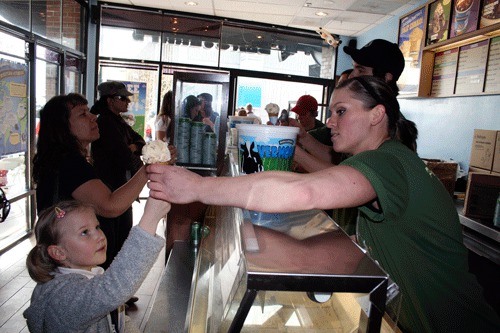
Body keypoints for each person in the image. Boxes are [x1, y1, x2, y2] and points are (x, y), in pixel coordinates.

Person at [146, 77, 500, 333]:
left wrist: (199, 187)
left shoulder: (387, 162)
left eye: (341, 111)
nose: (330, 121)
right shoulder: (382, 160)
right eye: (331, 112)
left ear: (377, 115)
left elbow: (304, 192)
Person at [32, 93, 151, 305]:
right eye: (83, 114)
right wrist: (148, 171)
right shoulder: (69, 163)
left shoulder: (65, 160)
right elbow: (110, 205)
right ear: (63, 127)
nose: (93, 118)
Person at [23, 197, 171, 333]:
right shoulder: (62, 298)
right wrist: (151, 218)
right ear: (59, 253)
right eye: (85, 232)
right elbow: (115, 289)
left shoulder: (90, 274)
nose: (99, 236)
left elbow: (118, 321)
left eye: (97, 227)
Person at [91, 81, 146, 274]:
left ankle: (117, 290)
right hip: (110, 187)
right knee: (112, 241)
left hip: (120, 186)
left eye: (127, 98)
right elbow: (123, 156)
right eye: (122, 98)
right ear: (109, 100)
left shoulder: (118, 121)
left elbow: (141, 142)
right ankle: (109, 289)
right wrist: (131, 149)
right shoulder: (105, 122)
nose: (127, 102)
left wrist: (133, 147)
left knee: (122, 238)